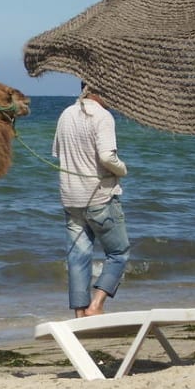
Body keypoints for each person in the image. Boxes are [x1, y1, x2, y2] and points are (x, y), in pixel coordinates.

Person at [52, 83, 131, 317]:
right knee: (119, 253)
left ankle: (79, 313)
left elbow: (58, 152)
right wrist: (122, 169)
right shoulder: (103, 116)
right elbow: (107, 156)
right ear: (97, 89)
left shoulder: (66, 113)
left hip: (70, 198)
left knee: (78, 257)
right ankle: (96, 305)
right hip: (100, 197)